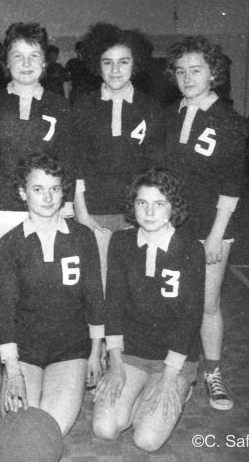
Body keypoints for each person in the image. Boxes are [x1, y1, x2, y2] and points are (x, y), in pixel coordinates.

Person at [159, 36, 247, 410]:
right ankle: (177, 369)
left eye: (196, 70)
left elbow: (232, 183)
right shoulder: (170, 114)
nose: (187, 77)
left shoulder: (229, 120)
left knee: (207, 303)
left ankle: (212, 373)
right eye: (181, 71)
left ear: (214, 73)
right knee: (174, 300)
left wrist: (215, 235)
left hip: (212, 228)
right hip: (172, 226)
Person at [93, 169, 205, 452]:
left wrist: (170, 377)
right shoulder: (121, 242)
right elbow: (113, 304)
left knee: (147, 440)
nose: (150, 212)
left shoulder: (191, 248)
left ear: (173, 207)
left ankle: (180, 388)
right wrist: (115, 363)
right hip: (132, 352)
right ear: (133, 206)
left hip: (174, 357)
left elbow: (190, 318)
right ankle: (139, 392)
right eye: (142, 203)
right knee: (105, 428)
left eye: (159, 203)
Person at [0, 153, 104, 437]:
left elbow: (94, 297)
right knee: (21, 430)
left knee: (48, 431)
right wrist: (13, 372)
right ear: (23, 192)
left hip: (69, 348)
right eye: (37, 189)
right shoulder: (9, 244)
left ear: (63, 192)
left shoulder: (82, 237)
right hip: (25, 350)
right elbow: (4, 312)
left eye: (54, 189)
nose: (47, 198)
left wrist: (95, 352)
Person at [73, 23, 161, 289]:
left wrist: (144, 217)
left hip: (136, 215)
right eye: (107, 62)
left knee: (133, 288)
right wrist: (82, 215)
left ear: (135, 64)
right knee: (98, 287)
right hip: (94, 213)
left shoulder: (150, 107)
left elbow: (155, 168)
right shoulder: (83, 106)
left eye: (123, 62)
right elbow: (76, 163)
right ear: (96, 65)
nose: (115, 70)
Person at [0, 23, 77, 240]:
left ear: (44, 61)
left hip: (47, 207)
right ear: (7, 61)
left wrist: (67, 201)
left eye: (34, 56)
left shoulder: (60, 105)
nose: (26, 64)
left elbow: (68, 157)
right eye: (18, 56)